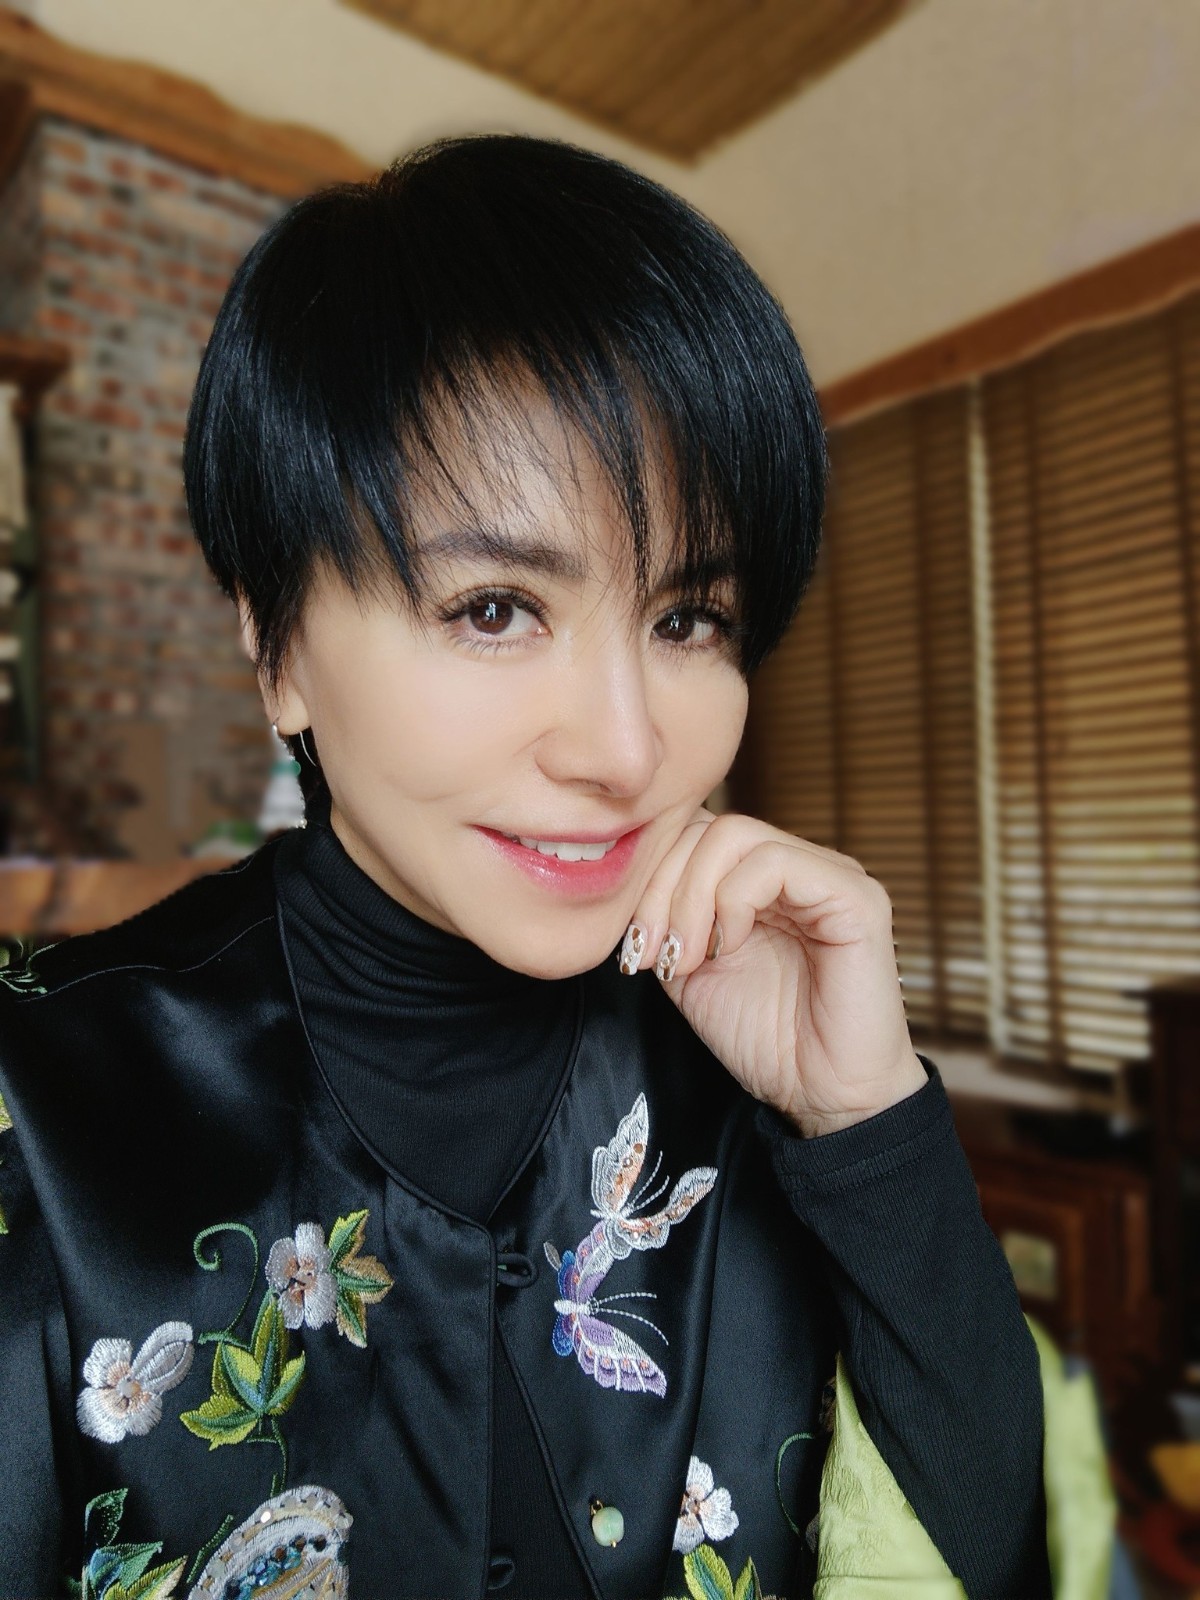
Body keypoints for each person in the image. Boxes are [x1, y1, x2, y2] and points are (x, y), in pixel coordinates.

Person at [0, 134, 1051, 1599]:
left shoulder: (756, 1076)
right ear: (277, 642)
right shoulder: (38, 1106)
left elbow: (990, 1555)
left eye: (688, 619)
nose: (629, 748)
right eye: (494, 607)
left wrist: (865, 1118)